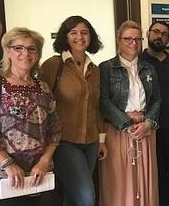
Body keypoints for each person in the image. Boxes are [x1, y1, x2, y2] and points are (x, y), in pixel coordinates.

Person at [39, 16, 106, 206]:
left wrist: (101, 140)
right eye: (73, 32)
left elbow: (96, 107)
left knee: (72, 195)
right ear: (65, 37)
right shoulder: (54, 65)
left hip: (91, 142)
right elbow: (41, 105)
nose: (80, 37)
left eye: (84, 32)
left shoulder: (94, 69)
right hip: (64, 142)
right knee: (86, 197)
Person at [0, 27, 61, 206]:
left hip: (41, 174)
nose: (26, 53)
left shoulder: (44, 88)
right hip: (7, 177)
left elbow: (55, 130)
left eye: (32, 48)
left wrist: (45, 160)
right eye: (18, 48)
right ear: (8, 51)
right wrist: (8, 164)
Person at [99, 20, 161, 206]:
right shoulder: (106, 67)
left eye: (137, 39)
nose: (133, 43)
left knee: (145, 179)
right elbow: (103, 101)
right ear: (119, 40)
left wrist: (148, 123)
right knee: (119, 181)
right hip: (118, 130)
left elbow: (157, 99)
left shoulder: (148, 67)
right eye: (128, 39)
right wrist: (126, 122)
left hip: (145, 130)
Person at [139, 21, 169, 206]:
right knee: (156, 173)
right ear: (148, 34)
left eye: (164, 34)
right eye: (156, 32)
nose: (159, 36)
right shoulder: (139, 62)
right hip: (150, 127)